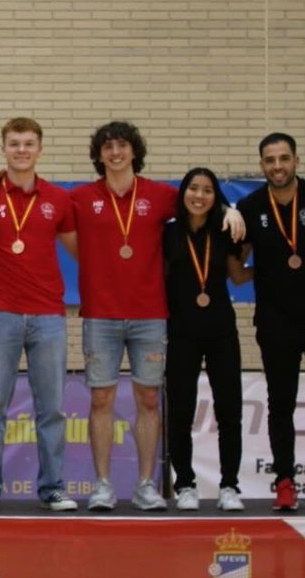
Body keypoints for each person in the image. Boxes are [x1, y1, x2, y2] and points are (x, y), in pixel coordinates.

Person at [71, 122, 241, 511]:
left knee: (148, 399)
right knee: (101, 400)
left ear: (134, 152)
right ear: (99, 155)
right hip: (100, 315)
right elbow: (44, 205)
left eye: (123, 146)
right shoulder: (81, 197)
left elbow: (199, 201)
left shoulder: (160, 195)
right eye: (108, 147)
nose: (116, 152)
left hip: (150, 315)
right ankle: (102, 485)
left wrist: (230, 209)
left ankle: (146, 484)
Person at [0, 117, 78, 512]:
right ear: (3, 149)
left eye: (29, 143)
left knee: (50, 409)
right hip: (0, 314)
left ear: (40, 149)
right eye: (14, 144)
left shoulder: (58, 199)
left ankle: (53, 488)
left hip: (48, 316)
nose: (21, 150)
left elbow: (79, 248)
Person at [163, 168, 246, 512]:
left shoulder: (225, 230)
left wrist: (233, 210)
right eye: (194, 189)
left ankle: (229, 485)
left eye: (208, 190)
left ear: (216, 197)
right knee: (180, 413)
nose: (200, 195)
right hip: (181, 332)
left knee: (230, 411)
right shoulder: (167, 233)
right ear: (183, 193)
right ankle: (184, 484)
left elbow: (239, 277)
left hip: (221, 331)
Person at [237, 132, 304, 512]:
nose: (277, 166)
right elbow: (235, 261)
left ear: (295, 160)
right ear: (262, 165)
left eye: (283, 158)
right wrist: (252, 274)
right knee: (280, 403)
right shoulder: (249, 206)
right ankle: (283, 481)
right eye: (269, 160)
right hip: (276, 320)